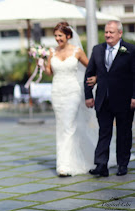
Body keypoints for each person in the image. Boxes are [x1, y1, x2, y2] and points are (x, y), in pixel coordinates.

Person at [45, 22, 100, 177]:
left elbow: (91, 67)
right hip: (57, 92)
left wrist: (95, 78)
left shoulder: (77, 51)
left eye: (60, 36)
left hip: (72, 92)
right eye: (55, 36)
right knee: (61, 126)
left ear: (68, 36)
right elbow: (49, 72)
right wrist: (42, 63)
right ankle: (68, 160)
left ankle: (64, 165)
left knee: (68, 126)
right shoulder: (52, 52)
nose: (57, 39)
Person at [85, 20, 135, 177]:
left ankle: (122, 164)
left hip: (124, 100)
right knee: (104, 132)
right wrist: (88, 95)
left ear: (120, 33)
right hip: (103, 99)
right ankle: (101, 165)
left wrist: (134, 96)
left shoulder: (131, 50)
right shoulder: (97, 50)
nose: (107, 35)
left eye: (111, 32)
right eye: (106, 32)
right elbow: (90, 73)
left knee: (124, 133)